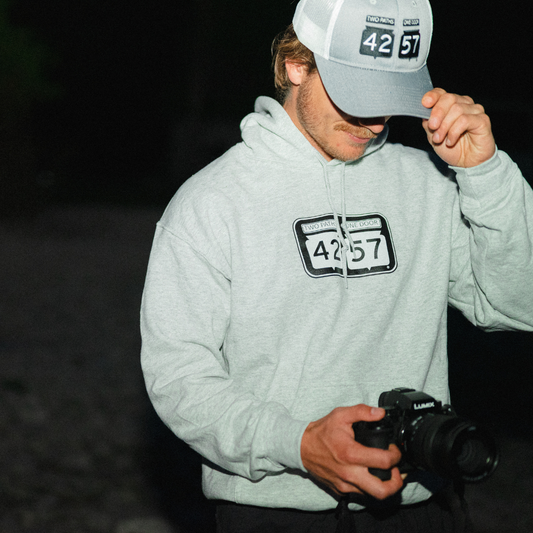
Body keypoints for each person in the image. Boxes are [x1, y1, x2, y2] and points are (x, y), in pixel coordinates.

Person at [140, 0, 533, 531]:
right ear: (295, 65)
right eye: (356, 95)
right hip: (276, 510)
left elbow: (518, 307)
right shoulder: (211, 202)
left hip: (423, 503)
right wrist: (296, 443)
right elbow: (179, 377)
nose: (374, 122)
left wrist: (487, 175)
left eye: (390, 97)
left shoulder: (433, 184)